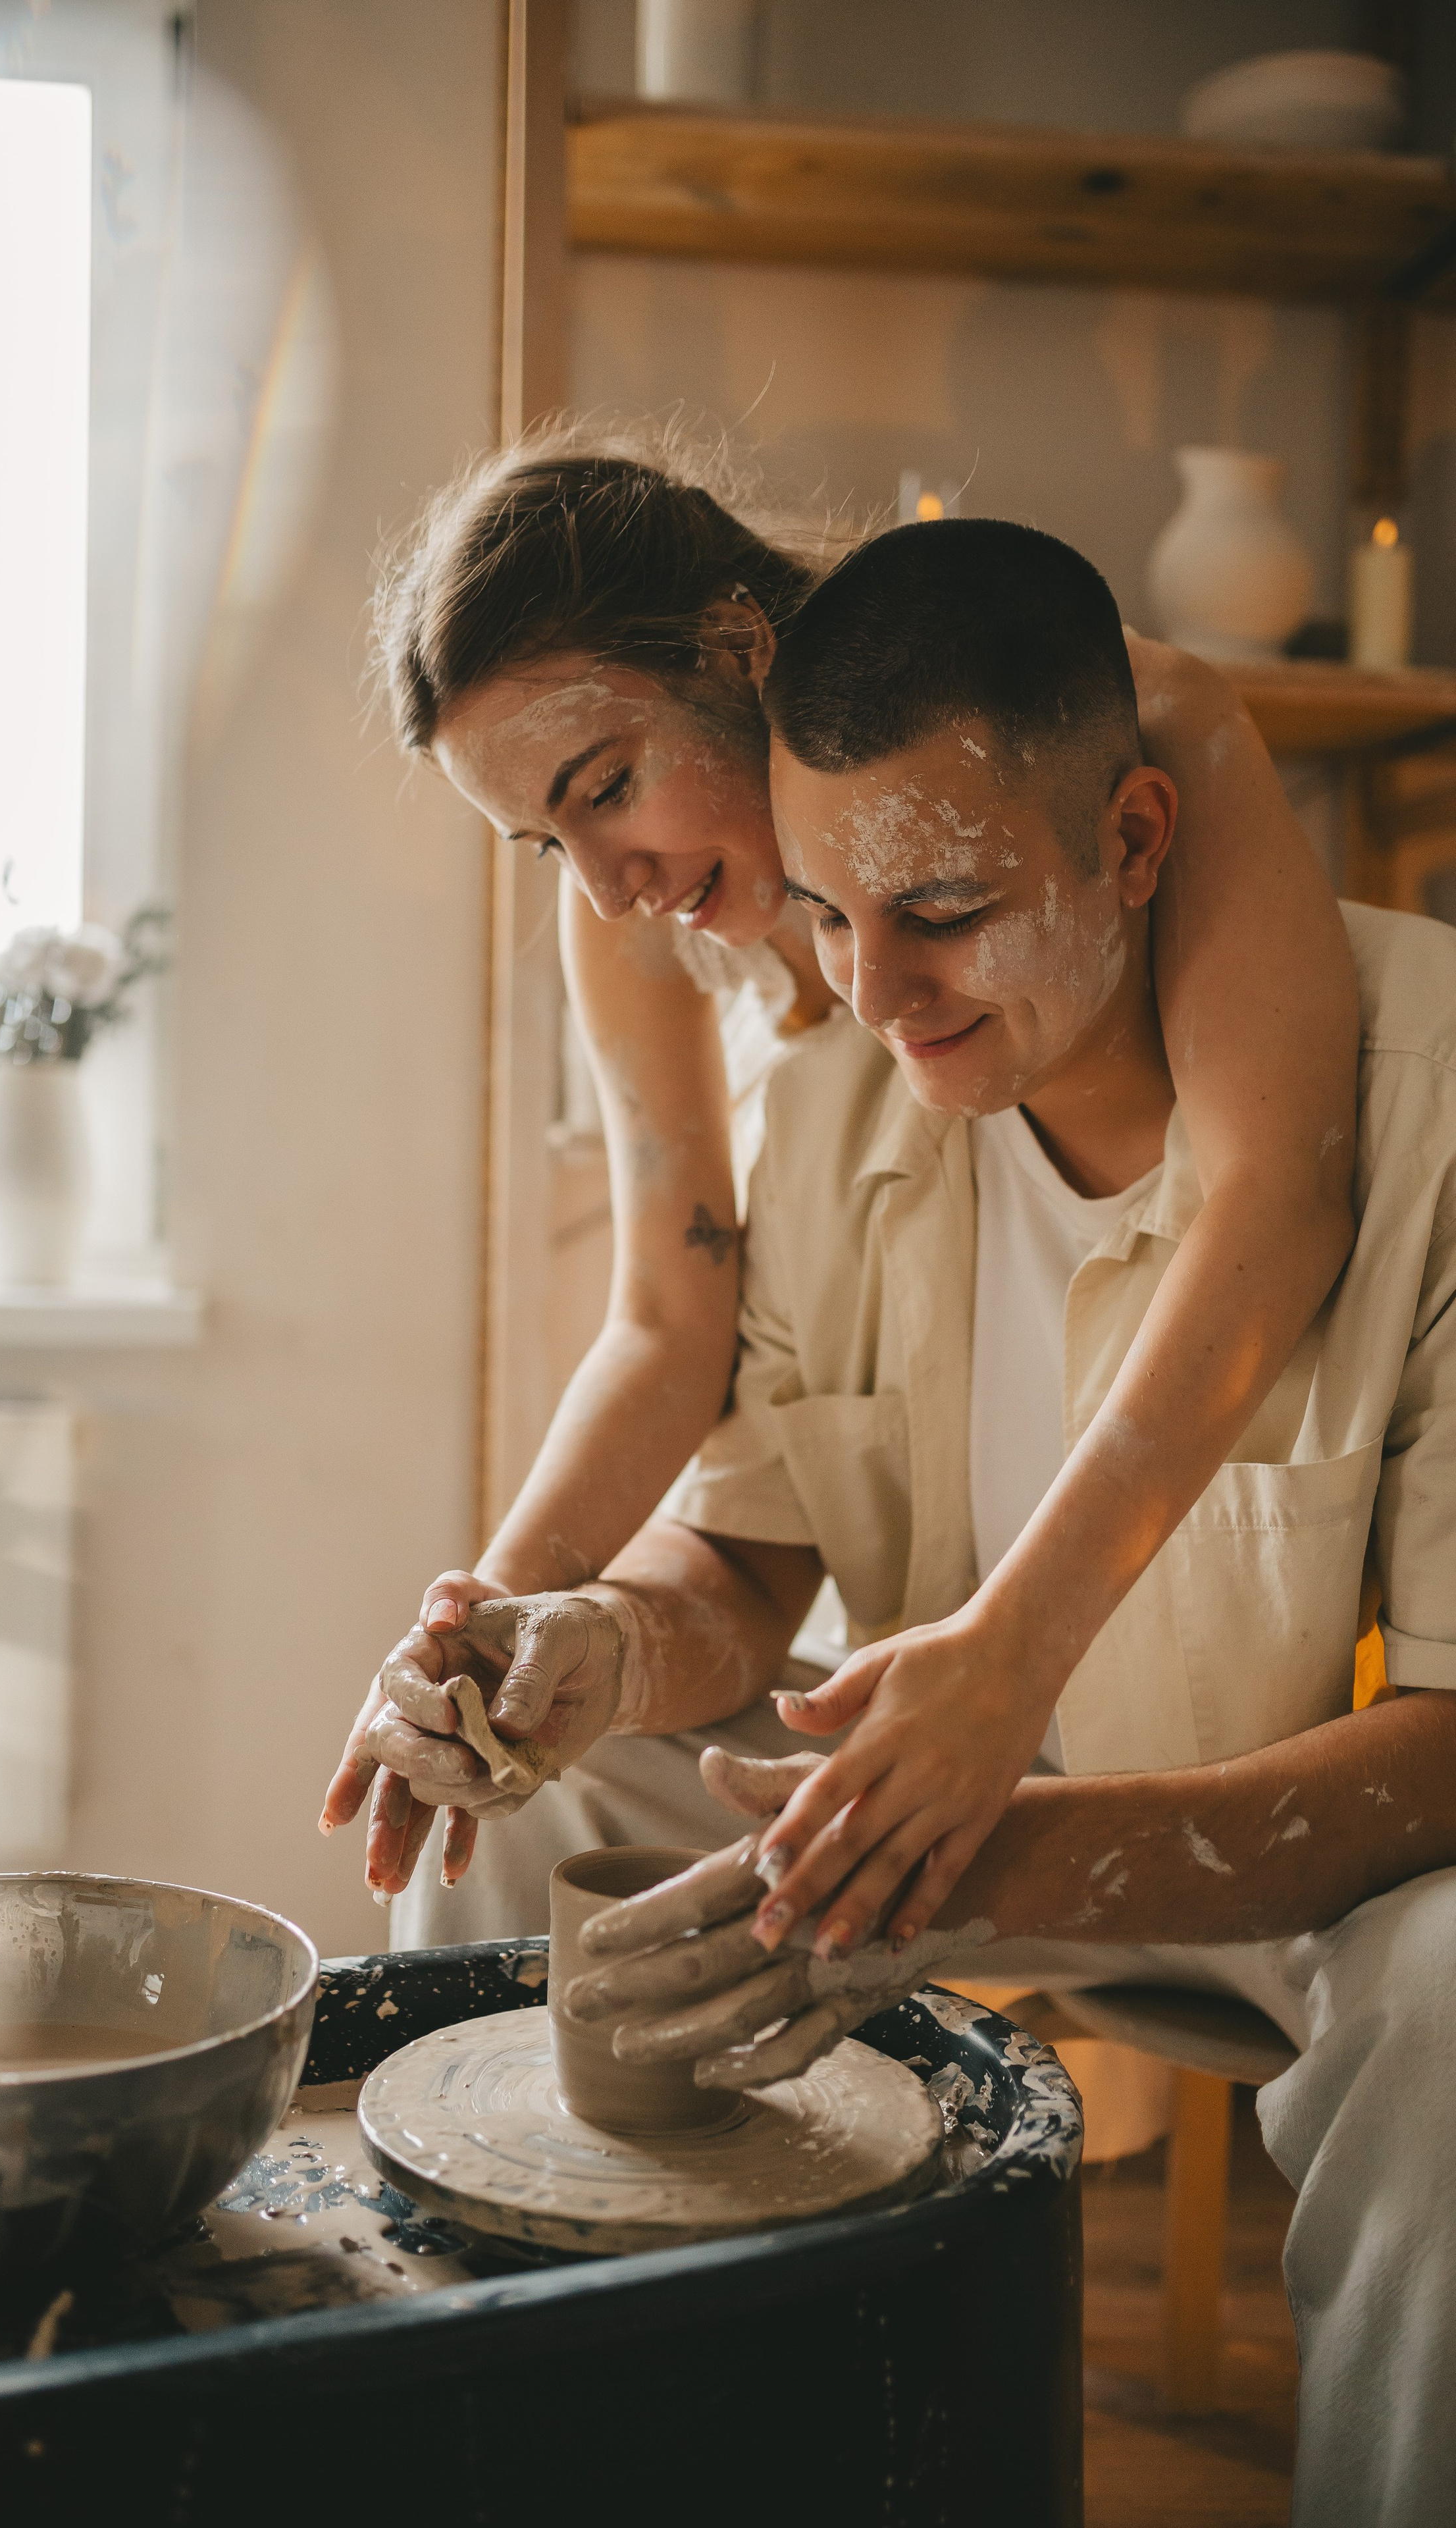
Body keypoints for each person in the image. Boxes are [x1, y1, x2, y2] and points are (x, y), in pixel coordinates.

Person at [356, 519, 1456, 2528]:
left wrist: (971, 1841)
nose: (871, 989)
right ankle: (538, 2445)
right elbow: (752, 1539)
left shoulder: (1414, 1087)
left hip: (1295, 1874)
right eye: (835, 921)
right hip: (917, 1811)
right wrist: (575, 1635)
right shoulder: (845, 1068)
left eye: (941, 909)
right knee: (518, 1780)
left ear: (1132, 845)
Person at [325, 428, 1357, 1941]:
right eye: (546, 842)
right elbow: (668, 1326)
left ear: (735, 651)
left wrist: (1016, 1648)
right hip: (877, 1496)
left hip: (1147, 1543)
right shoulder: (631, 920)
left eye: (606, 787)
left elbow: (1270, 1198)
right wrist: (481, 1633)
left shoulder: (1117, 723)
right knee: (532, 1786)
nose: (607, 884)